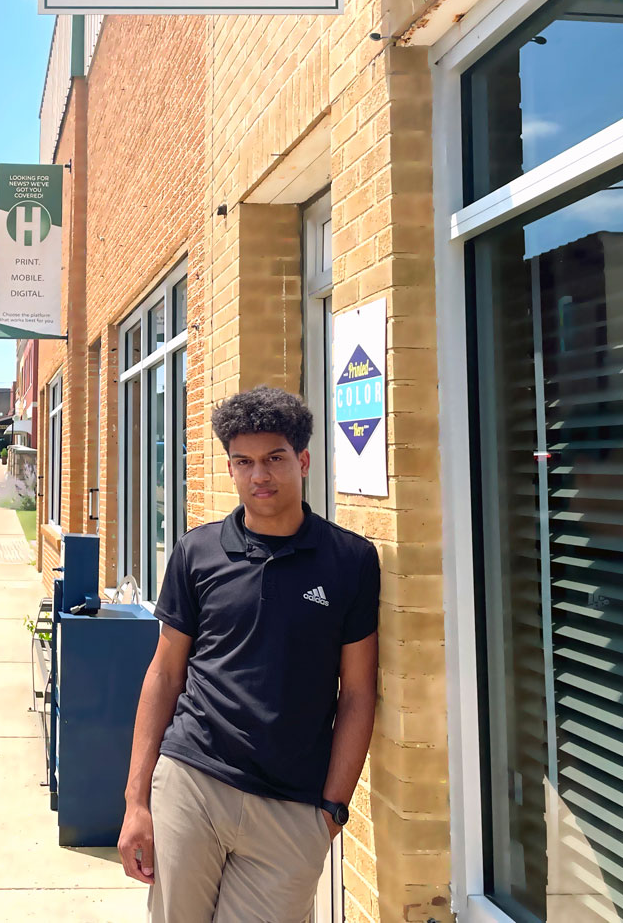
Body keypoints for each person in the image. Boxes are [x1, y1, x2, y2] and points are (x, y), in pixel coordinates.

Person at [118, 386, 380, 923]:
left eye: (274, 459)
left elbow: (358, 692)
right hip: (192, 780)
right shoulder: (197, 552)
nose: (259, 475)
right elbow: (164, 674)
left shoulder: (350, 560)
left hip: (291, 808)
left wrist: (332, 810)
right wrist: (136, 801)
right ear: (230, 468)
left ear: (303, 460)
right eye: (244, 462)